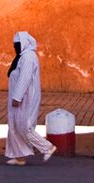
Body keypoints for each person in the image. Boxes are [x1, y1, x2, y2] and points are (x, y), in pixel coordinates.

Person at [5, 31, 56, 166]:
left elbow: (25, 78)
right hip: (17, 97)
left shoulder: (28, 56)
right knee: (14, 125)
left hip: (26, 97)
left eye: (17, 44)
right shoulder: (21, 57)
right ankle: (19, 156)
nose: (15, 46)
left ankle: (47, 147)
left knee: (24, 126)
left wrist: (17, 96)